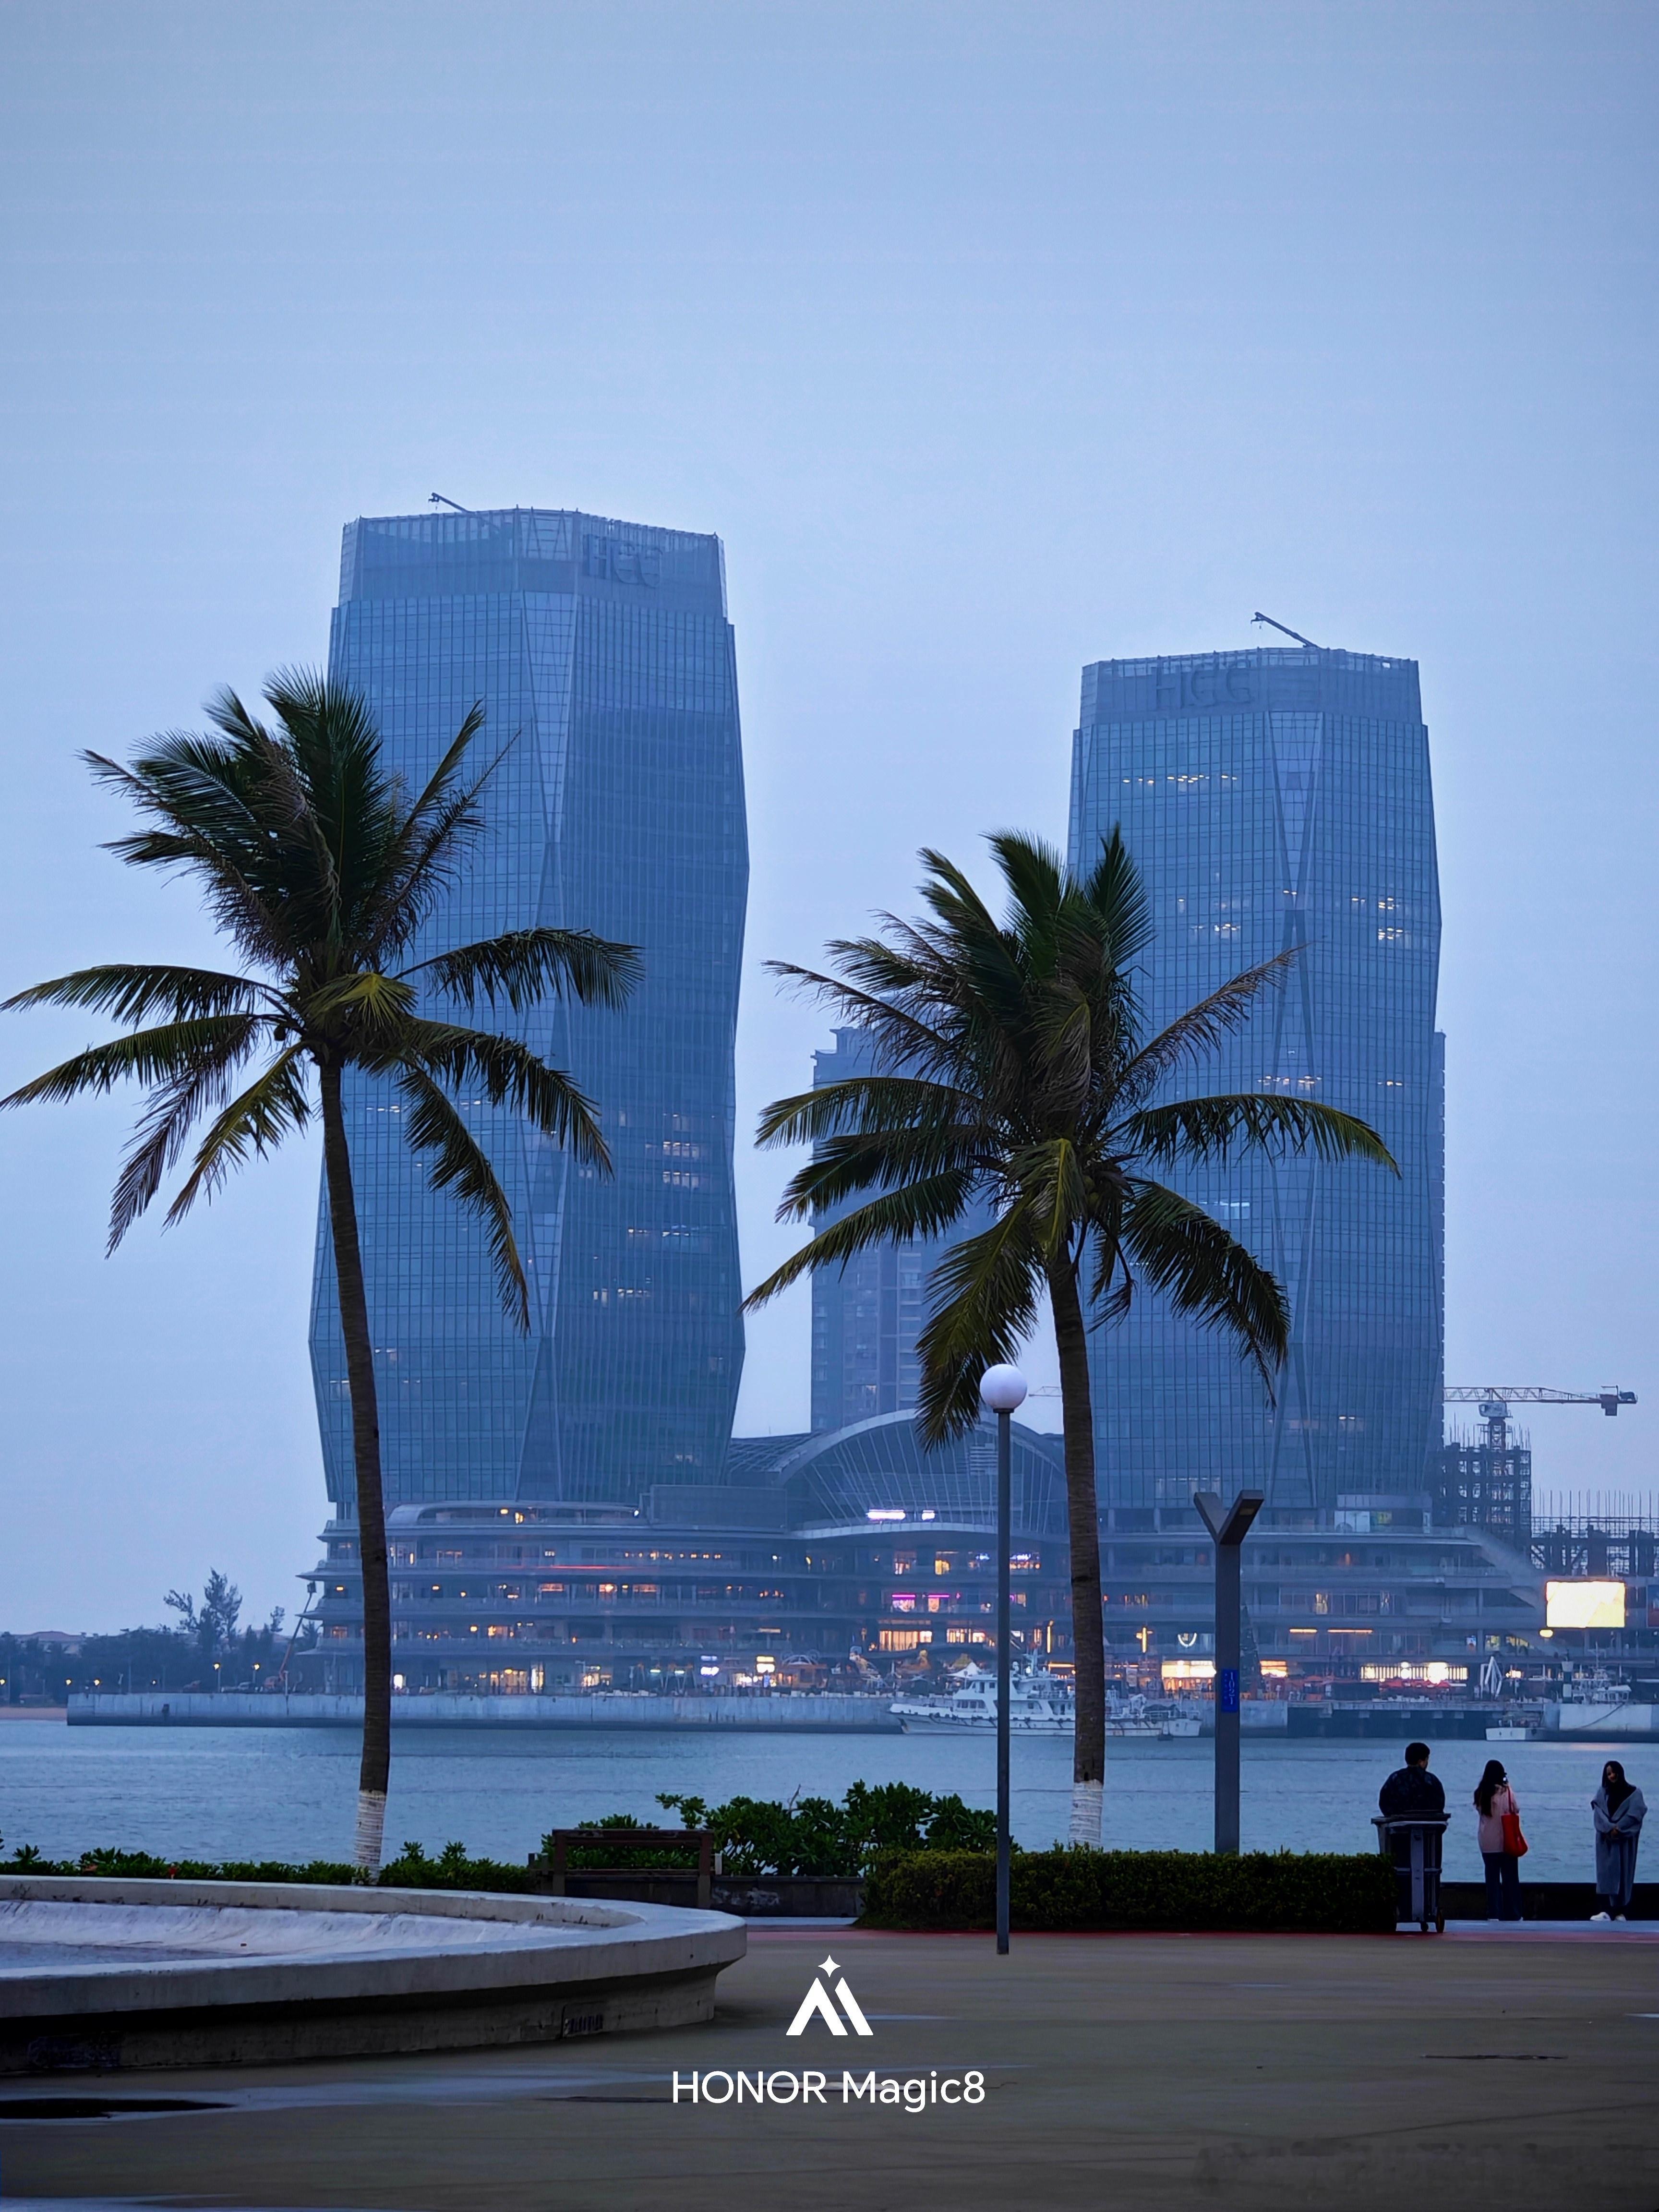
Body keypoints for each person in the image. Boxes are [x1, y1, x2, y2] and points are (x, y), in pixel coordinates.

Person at [1591, 1760, 1646, 1921]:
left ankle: (1621, 1913)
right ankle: (1606, 1912)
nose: (1612, 1776)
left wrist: (1619, 1828)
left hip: (1624, 1842)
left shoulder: (1634, 1793)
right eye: (1608, 1774)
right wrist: (1609, 1828)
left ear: (1620, 1773)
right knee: (1605, 1875)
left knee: (1624, 1874)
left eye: (1614, 1772)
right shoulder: (1602, 1793)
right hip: (1606, 1842)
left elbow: (1635, 1815)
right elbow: (1598, 1813)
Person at [1473, 1758, 1523, 1922]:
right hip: (1506, 1841)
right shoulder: (1507, 1792)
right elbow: (1515, 1808)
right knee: (1511, 1879)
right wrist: (1509, 1786)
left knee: (1492, 1879)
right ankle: (1513, 1913)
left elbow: (1480, 1810)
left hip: (1487, 1842)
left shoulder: (1481, 1793)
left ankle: (1494, 1913)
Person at [1380, 1742, 1446, 1818]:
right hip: (1430, 1822)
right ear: (1421, 1762)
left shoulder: (1395, 1778)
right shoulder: (1432, 1780)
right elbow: (1440, 1804)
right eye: (1427, 1760)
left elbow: (1384, 1803)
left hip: (1399, 1822)